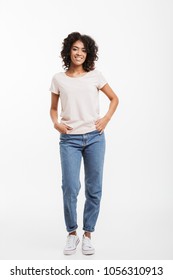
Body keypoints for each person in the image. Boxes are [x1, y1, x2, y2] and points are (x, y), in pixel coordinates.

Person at [49, 32, 119, 255]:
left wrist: (105, 120)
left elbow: (114, 98)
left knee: (94, 188)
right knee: (70, 187)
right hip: (69, 140)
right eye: (75, 49)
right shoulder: (58, 79)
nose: (79, 53)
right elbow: (53, 108)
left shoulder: (95, 76)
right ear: (68, 51)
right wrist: (56, 123)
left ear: (88, 54)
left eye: (83, 50)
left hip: (95, 138)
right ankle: (72, 234)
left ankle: (88, 234)